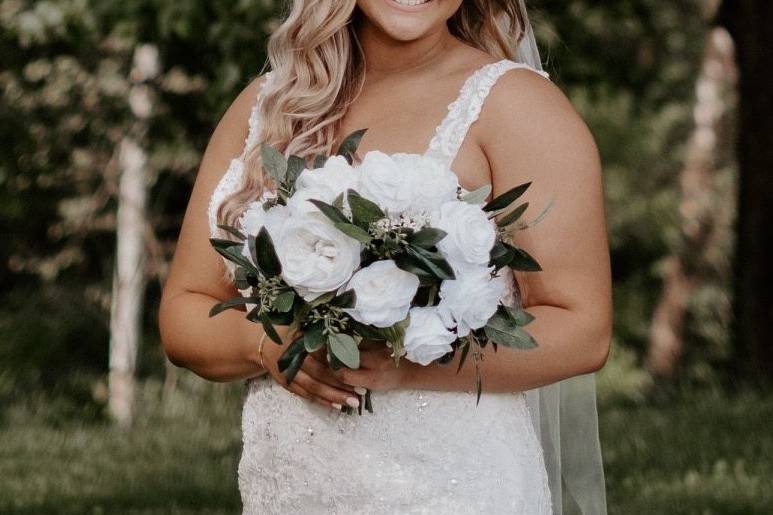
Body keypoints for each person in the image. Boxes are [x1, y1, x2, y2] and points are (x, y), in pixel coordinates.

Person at [159, 1, 612, 513]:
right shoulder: (268, 107)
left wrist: (409, 366)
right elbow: (184, 311)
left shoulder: (520, 106)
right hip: (290, 487)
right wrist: (269, 345)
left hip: (452, 489)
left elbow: (584, 332)